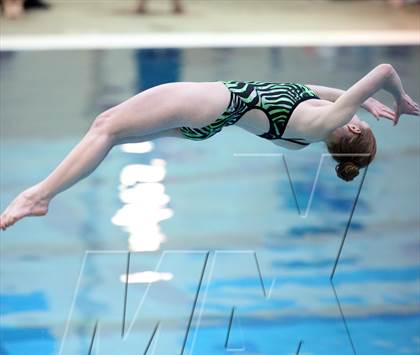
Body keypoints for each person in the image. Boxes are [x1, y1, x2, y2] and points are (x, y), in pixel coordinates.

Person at [0, 63, 418, 231]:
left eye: (360, 125)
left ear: (348, 134)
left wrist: (397, 97)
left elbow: (384, 70)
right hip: (212, 121)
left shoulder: (324, 120)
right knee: (110, 133)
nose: (360, 118)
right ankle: (42, 195)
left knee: (106, 127)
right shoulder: (306, 133)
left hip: (211, 101)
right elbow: (311, 90)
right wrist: (360, 98)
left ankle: (38, 196)